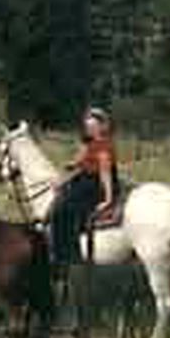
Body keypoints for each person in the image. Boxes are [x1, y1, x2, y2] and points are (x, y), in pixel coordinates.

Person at [48, 106, 118, 271]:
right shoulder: (91, 143)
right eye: (88, 127)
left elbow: (105, 173)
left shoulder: (103, 147)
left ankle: (68, 255)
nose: (90, 129)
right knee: (61, 196)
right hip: (86, 179)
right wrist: (71, 167)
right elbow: (82, 161)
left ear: (102, 127)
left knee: (61, 210)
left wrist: (108, 199)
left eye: (93, 127)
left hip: (96, 185)